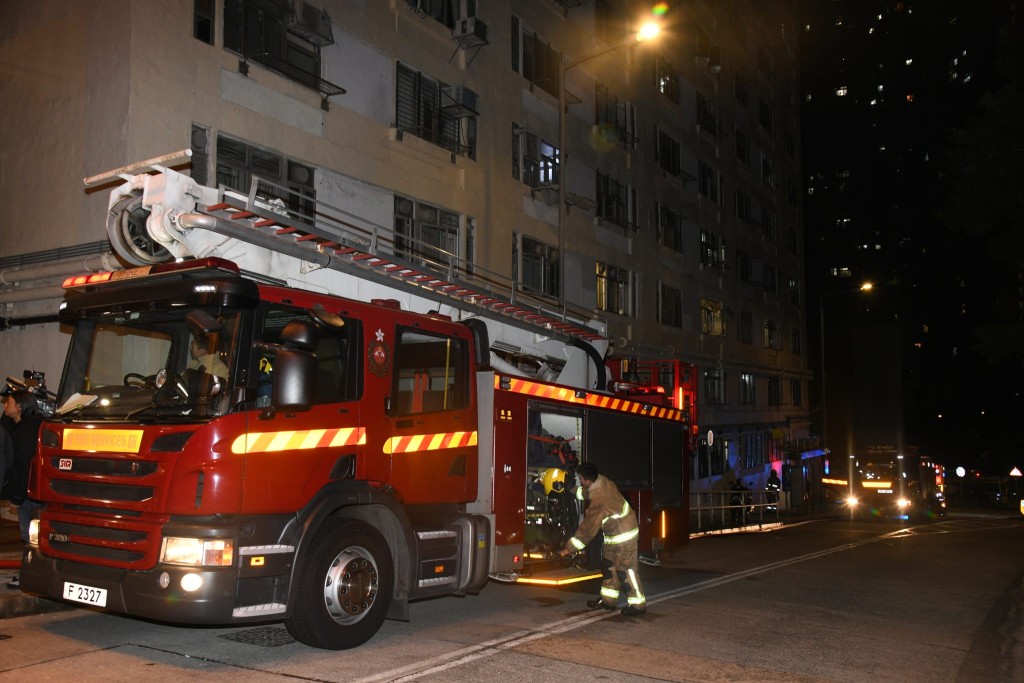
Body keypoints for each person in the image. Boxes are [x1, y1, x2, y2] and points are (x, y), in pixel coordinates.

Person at [559, 462, 646, 616]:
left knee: (625, 570)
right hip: (615, 533)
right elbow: (587, 493)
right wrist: (572, 489)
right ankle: (608, 601)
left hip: (624, 535)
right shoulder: (601, 481)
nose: (580, 482)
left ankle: (638, 604)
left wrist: (569, 549)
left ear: (587, 479)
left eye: (580, 479)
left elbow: (587, 530)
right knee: (609, 567)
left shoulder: (600, 500)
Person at [4, 389, 44, 589]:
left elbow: (23, 465)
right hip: (32, 492)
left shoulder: (25, 431)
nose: (5, 406)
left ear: (19, 406)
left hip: (28, 494)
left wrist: (18, 496)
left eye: (8, 402)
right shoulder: (26, 426)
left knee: (29, 535)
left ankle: (31, 574)